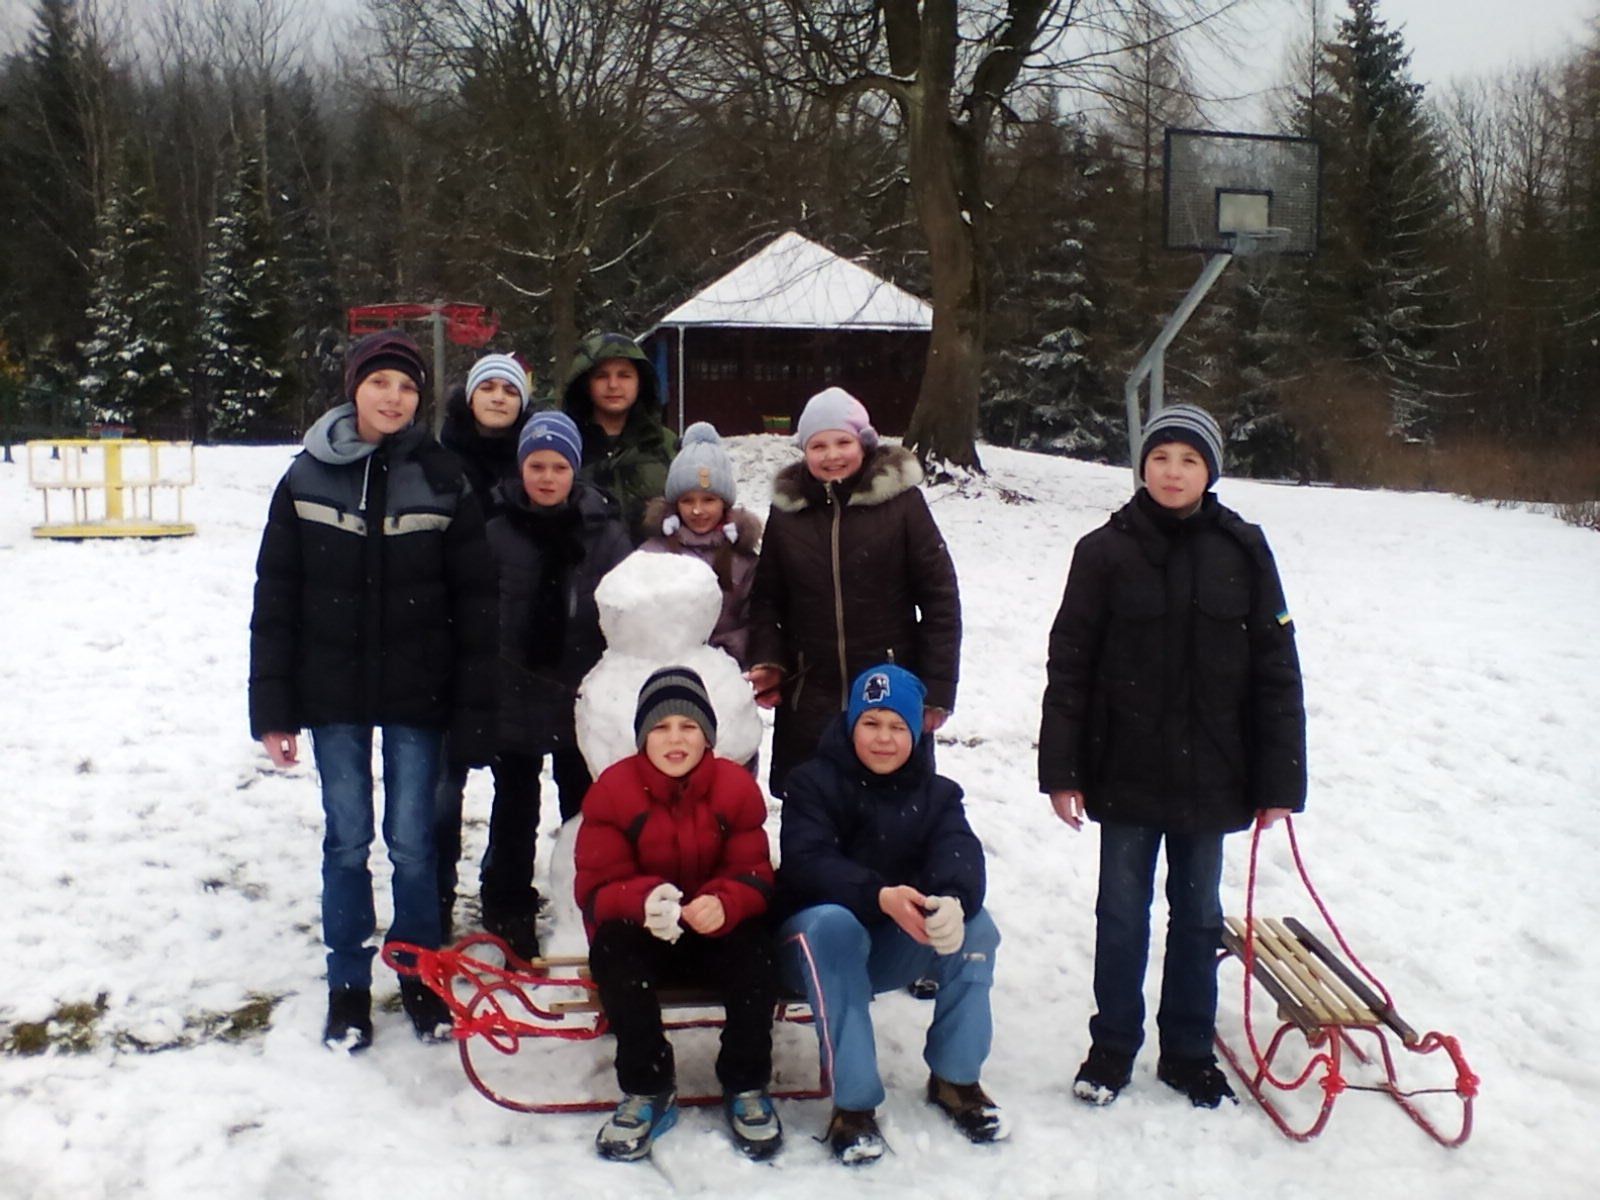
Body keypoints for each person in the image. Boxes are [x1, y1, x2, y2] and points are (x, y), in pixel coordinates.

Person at [1038, 402, 1307, 1109]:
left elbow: (1277, 666)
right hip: (1123, 768)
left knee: (1196, 917)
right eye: (1161, 458)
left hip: (1214, 774)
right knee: (1120, 915)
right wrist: (1061, 769)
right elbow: (1069, 663)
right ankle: (1112, 1048)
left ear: (1210, 471)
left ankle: (1188, 1051)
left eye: (1189, 460)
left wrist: (1279, 777)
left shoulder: (1243, 550)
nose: (1173, 471)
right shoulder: (1103, 551)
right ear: (1143, 466)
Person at [248, 329, 497, 1051]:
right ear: (354, 388)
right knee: (347, 839)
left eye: (408, 387)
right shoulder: (304, 478)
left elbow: (478, 603)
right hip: (334, 695)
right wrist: (273, 708)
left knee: (414, 844)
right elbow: (277, 597)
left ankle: (418, 974)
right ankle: (348, 987)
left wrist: (473, 707)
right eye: (381, 383)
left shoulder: (443, 477)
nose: (394, 398)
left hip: (420, 693)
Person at [776, 664, 1004, 1165]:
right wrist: (878, 894)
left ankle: (956, 1078)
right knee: (833, 925)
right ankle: (852, 1108)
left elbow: (960, 854)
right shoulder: (811, 783)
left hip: (889, 943)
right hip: (811, 951)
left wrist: (950, 900)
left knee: (977, 927)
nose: (883, 739)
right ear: (851, 724)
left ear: (915, 731)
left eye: (897, 726)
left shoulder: (939, 794)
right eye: (871, 723)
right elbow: (807, 862)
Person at [575, 667, 781, 1163]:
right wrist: (645, 902)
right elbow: (596, 888)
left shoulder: (734, 788)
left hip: (716, 935)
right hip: (647, 939)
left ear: (707, 735)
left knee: (757, 946)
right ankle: (648, 1087)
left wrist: (726, 902)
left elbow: (755, 874)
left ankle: (745, 1080)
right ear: (643, 736)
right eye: (661, 728)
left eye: (688, 727)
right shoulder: (613, 790)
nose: (675, 739)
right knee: (612, 948)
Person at [746, 387, 961, 799]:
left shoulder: (903, 506)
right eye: (818, 445)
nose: (831, 455)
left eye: (842, 442)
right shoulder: (788, 514)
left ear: (863, 442)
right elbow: (767, 598)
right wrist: (770, 660)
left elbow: (940, 600)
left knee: (891, 817)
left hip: (890, 693)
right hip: (810, 698)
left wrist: (935, 689)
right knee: (813, 810)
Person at [476, 409, 632, 960]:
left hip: (578, 695)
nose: (547, 477)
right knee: (514, 808)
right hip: (513, 693)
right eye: (536, 465)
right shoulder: (495, 531)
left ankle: (584, 901)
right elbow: (476, 607)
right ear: (522, 469)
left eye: (559, 466)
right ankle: (508, 906)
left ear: (575, 471)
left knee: (584, 810)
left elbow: (623, 609)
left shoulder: (603, 533)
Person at [434, 352, 532, 939]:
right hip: (450, 638)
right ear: (469, 397)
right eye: (487, 387)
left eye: (509, 389)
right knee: (445, 784)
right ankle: (438, 890)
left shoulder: (540, 461)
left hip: (517, 647)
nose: (498, 397)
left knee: (518, 784)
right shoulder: (441, 460)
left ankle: (507, 894)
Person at [639, 422, 763, 668]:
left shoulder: (744, 560)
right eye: (687, 501)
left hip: (724, 672)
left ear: (724, 503)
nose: (697, 510)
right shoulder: (653, 553)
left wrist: (722, 653)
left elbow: (755, 621)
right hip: (662, 669)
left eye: (708, 500)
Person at [560, 330, 677, 545]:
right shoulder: (565, 444)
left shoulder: (665, 445)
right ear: (586, 383)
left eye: (624, 375)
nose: (613, 385)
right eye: (602, 376)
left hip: (652, 570)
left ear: (640, 382)